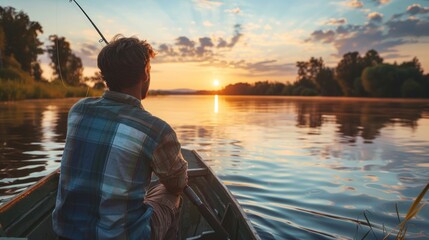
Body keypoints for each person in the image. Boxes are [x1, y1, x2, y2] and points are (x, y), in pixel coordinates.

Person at [52, 35, 188, 240]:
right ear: (145, 73)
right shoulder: (157, 130)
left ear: (105, 76)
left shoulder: (78, 111)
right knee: (171, 193)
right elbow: (177, 183)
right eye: (149, 68)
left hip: (66, 234)